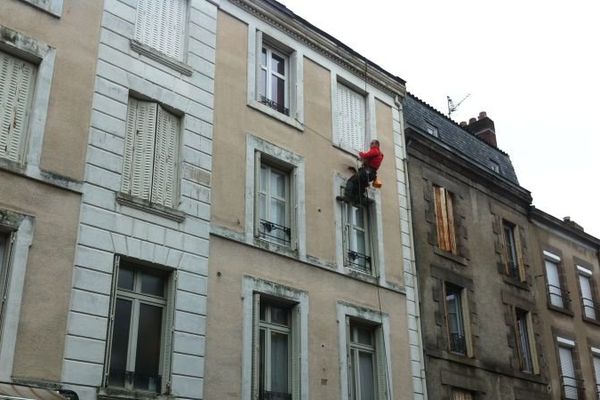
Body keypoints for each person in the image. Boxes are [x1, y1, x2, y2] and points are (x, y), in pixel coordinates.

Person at [339, 139, 384, 205]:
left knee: (351, 181)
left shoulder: (375, 150)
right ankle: (362, 199)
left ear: (376, 144)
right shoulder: (380, 154)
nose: (370, 145)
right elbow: (371, 161)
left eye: (372, 143)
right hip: (371, 174)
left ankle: (347, 197)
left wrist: (360, 153)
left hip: (366, 172)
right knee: (359, 186)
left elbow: (365, 156)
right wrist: (365, 160)